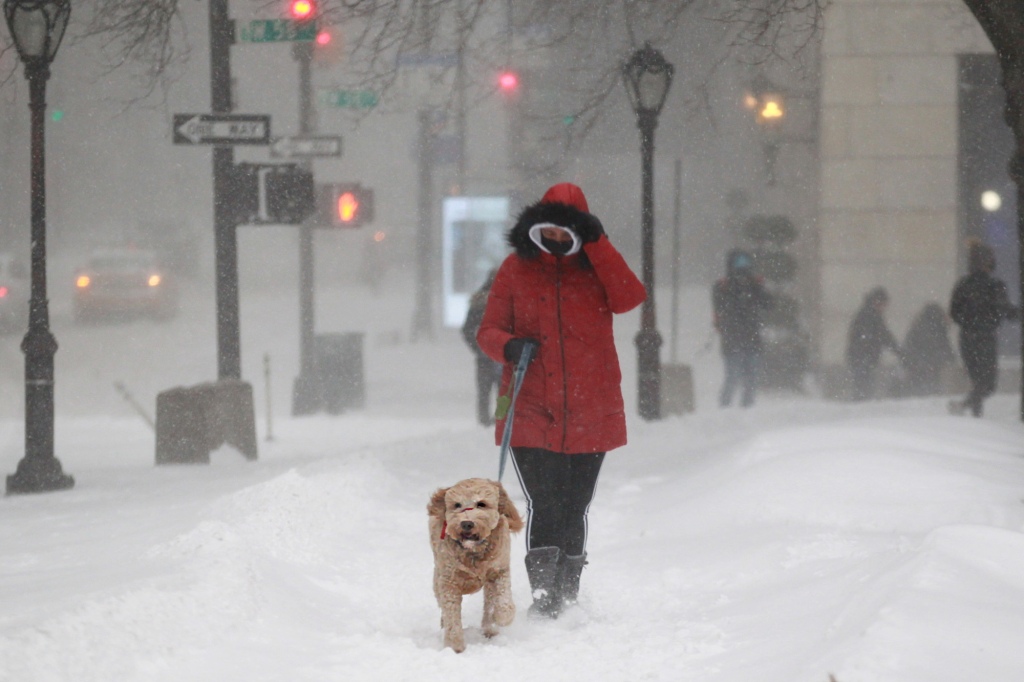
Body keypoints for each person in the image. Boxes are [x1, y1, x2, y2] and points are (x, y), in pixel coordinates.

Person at [476, 182, 645, 619]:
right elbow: (488, 331)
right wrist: (510, 346)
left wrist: (598, 243)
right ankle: (545, 599)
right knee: (545, 501)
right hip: (529, 403)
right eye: (548, 231)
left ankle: (568, 593)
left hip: (592, 407)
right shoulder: (515, 268)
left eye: (565, 232)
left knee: (576, 504)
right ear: (536, 227)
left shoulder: (598, 268)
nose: (554, 240)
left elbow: (630, 297)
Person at [948, 239, 1019, 417]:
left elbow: (954, 312)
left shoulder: (963, 285)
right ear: (988, 262)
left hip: (967, 338)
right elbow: (1006, 310)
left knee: (978, 382)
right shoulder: (994, 285)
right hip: (986, 339)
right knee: (987, 385)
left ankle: (974, 415)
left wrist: (969, 322)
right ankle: (969, 411)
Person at [712, 249, 772, 407]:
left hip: (751, 339)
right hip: (733, 340)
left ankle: (747, 410)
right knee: (733, 376)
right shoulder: (722, 286)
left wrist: (759, 287)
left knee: (751, 377)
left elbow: (768, 304)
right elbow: (719, 306)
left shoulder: (755, 285)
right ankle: (725, 409)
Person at [461, 269, 503, 426]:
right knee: (503, 392)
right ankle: (501, 419)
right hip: (502, 355)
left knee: (484, 391)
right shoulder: (507, 300)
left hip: (484, 356)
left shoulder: (478, 302)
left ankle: (484, 421)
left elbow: (467, 329)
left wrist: (478, 347)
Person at [846, 287, 901, 400]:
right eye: (884, 304)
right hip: (862, 357)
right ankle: (860, 407)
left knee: (863, 386)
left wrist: (897, 350)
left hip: (863, 357)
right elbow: (882, 336)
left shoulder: (871, 314)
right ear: (877, 301)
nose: (885, 308)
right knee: (863, 386)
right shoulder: (869, 315)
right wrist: (898, 350)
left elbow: (883, 336)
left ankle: (860, 405)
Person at [898, 302, 955, 397]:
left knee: (921, 393)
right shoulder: (934, 329)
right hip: (925, 368)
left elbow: (910, 348)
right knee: (928, 393)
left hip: (919, 368)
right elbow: (940, 348)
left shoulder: (921, 326)